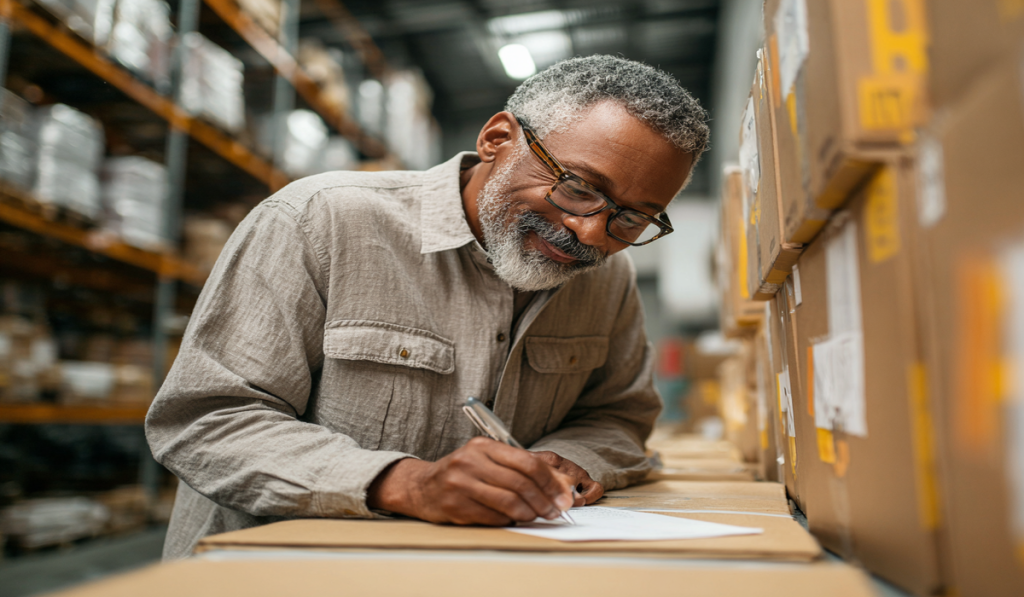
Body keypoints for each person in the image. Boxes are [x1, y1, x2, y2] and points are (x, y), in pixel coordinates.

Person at [146, 55, 709, 559]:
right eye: (578, 187)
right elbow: (206, 422)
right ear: (497, 139)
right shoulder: (320, 221)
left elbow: (619, 415)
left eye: (632, 218)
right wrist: (408, 484)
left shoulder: (607, 278)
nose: (590, 233)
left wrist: (570, 457)